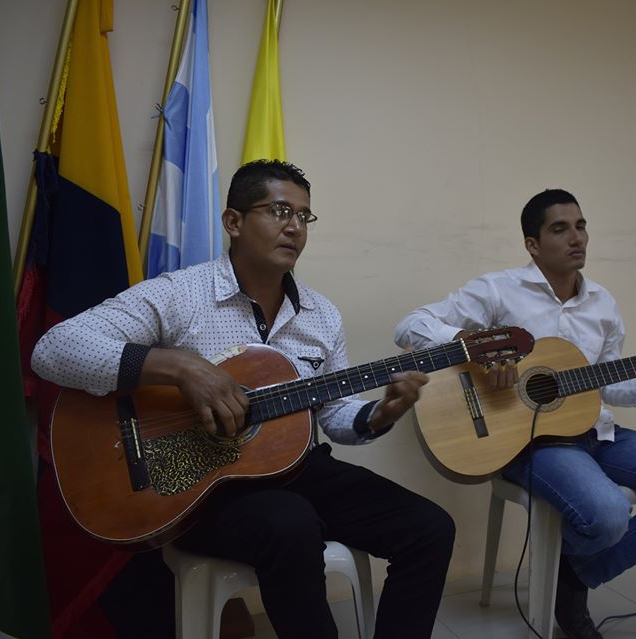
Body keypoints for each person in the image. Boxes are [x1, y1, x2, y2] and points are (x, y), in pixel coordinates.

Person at [32, 159, 455, 639]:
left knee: (430, 528)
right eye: (279, 211)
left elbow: (335, 414)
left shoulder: (322, 315)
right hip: (201, 485)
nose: (295, 227)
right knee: (292, 524)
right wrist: (182, 368)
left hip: (295, 468)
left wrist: (378, 414)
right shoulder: (181, 295)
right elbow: (54, 349)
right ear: (234, 222)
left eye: (304, 216)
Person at [393, 188, 636, 639]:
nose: (577, 238)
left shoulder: (602, 304)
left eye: (581, 226)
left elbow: (607, 384)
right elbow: (409, 326)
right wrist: (478, 349)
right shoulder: (498, 290)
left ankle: (573, 573)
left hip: (597, 432)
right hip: (527, 442)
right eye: (560, 229)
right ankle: (577, 585)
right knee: (608, 514)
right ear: (532, 244)